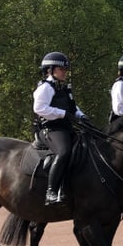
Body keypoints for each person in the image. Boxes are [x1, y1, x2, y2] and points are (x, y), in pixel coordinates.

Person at [33, 51, 87, 205]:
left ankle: (68, 187)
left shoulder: (63, 88)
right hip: (50, 130)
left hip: (65, 128)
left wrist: (81, 116)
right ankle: (51, 191)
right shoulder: (46, 88)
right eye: (61, 69)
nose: (64, 72)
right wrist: (62, 113)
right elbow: (39, 108)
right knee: (64, 152)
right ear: (50, 70)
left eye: (65, 70)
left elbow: (72, 107)